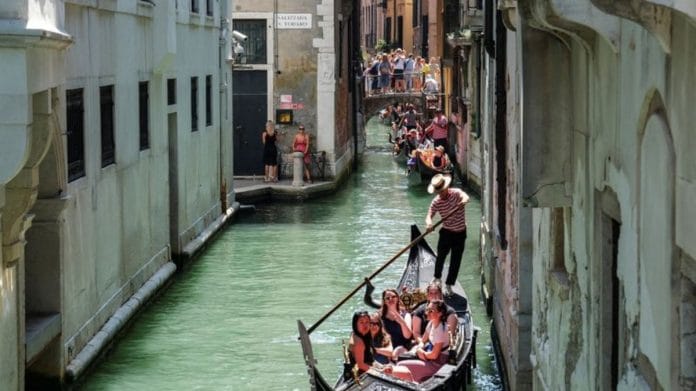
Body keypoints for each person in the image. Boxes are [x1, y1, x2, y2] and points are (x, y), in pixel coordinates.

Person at [425, 174, 470, 296]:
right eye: (438, 192)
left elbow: (465, 196)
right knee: (440, 257)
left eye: (442, 191)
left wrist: (464, 201)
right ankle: (437, 278)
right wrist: (429, 224)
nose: (440, 194)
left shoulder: (456, 193)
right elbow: (429, 215)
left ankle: (449, 285)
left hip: (460, 233)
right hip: (446, 233)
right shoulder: (437, 201)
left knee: (456, 261)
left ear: (446, 188)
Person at [395, 300, 451, 382]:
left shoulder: (441, 331)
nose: (427, 313)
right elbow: (423, 340)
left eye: (431, 311)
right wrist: (419, 348)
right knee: (401, 358)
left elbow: (434, 355)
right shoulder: (431, 323)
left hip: (436, 364)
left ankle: (412, 384)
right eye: (427, 309)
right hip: (427, 356)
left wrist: (422, 353)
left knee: (401, 365)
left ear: (440, 313)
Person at [349, 311, 413, 380]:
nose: (365, 325)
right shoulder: (359, 342)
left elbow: (370, 360)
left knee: (405, 370)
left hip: (373, 367)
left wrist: (382, 367)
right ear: (355, 324)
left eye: (367, 322)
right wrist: (379, 372)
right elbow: (360, 365)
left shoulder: (361, 336)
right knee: (407, 373)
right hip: (366, 373)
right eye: (361, 322)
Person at [379, 289, 413, 360]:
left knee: (399, 351)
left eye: (393, 297)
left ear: (397, 298)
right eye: (387, 298)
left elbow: (407, 336)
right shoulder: (380, 317)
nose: (391, 299)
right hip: (387, 348)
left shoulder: (406, 315)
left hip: (403, 347)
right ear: (384, 301)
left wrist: (401, 322)